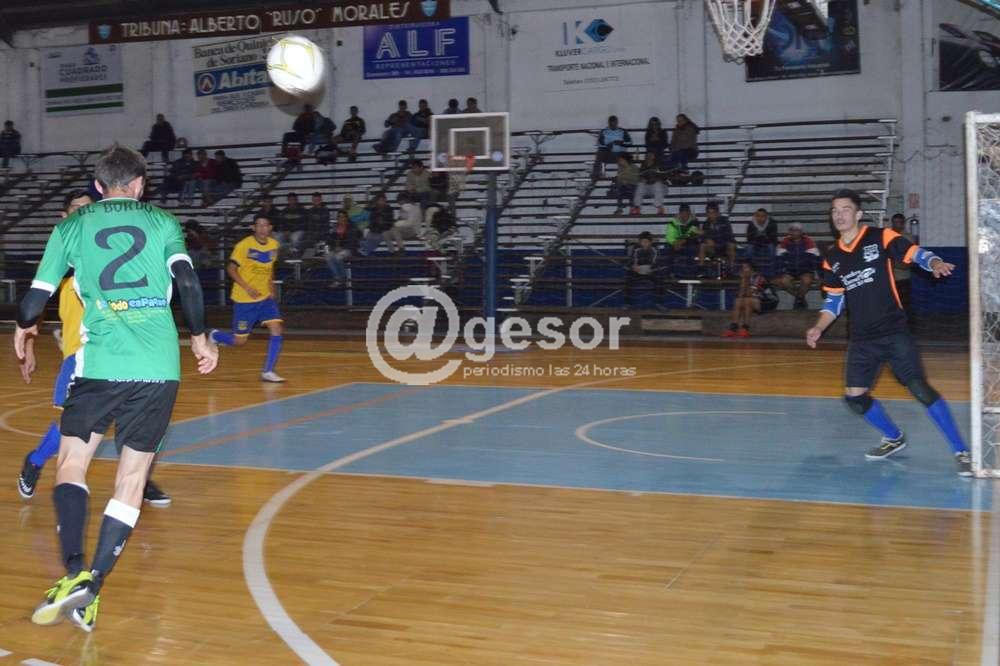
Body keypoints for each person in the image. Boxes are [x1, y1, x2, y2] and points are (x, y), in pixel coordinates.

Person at [13, 143, 217, 632]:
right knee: (132, 478)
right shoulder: (163, 221)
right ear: (140, 184)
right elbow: (188, 283)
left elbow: (34, 300)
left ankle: (74, 570)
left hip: (102, 364)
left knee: (71, 464)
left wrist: (24, 326)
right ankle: (94, 585)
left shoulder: (71, 227)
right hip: (158, 367)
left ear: (98, 186)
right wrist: (200, 337)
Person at [16, 189, 171, 507]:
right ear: (64, 217)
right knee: (73, 428)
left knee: (137, 422)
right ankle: (36, 460)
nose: (84, 214)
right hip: (81, 359)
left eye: (89, 208)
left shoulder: (111, 263)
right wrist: (29, 348)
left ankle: (138, 480)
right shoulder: (62, 269)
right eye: (76, 209)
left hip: (123, 355)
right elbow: (35, 310)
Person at [806, 189, 971, 475]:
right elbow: (833, 300)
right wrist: (818, 327)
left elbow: (913, 253)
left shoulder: (879, 237)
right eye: (834, 210)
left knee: (919, 388)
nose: (839, 215)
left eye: (845, 209)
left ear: (858, 214)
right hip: (862, 338)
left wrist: (933, 262)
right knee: (855, 397)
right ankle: (893, 437)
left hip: (893, 332)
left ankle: (961, 450)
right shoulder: (831, 257)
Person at [209, 216, 285, 383]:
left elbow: (270, 268)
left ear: (270, 228)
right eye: (259, 225)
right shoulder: (243, 246)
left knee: (277, 329)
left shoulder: (274, 245)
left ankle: (268, 371)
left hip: (265, 298)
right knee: (239, 341)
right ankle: (215, 335)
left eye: (265, 225)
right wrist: (247, 287)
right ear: (253, 228)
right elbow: (231, 269)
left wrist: (271, 287)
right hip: (245, 300)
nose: (262, 229)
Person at [723, 261, 778, 337]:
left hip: (768, 301)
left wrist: (745, 279)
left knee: (747, 300)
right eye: (742, 268)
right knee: (738, 301)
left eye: (745, 268)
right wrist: (744, 280)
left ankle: (745, 328)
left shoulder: (758, 278)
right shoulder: (745, 278)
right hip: (754, 300)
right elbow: (740, 295)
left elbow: (749, 294)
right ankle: (734, 328)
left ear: (752, 269)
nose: (742, 270)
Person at [775, 222, 820, 309]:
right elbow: (778, 260)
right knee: (784, 281)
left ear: (801, 232)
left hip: (806, 269)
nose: (794, 232)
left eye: (797, 230)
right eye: (792, 230)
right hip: (790, 270)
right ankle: (800, 297)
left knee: (807, 281)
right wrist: (778, 275)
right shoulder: (784, 242)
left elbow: (816, 259)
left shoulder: (808, 241)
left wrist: (820, 275)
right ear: (789, 232)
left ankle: (798, 299)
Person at [623, 232, 662, 308]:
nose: (645, 244)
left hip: (650, 272)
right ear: (640, 242)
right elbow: (630, 262)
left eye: (646, 242)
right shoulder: (635, 249)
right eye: (643, 242)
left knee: (660, 280)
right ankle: (627, 303)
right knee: (628, 279)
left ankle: (659, 303)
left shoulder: (655, 250)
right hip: (638, 272)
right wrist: (633, 267)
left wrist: (652, 268)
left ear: (650, 242)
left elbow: (657, 263)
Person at [697, 201, 736, 276]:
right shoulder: (706, 223)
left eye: (713, 212)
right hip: (713, 248)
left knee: (731, 245)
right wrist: (706, 239)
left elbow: (729, 236)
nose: (711, 215)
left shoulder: (725, 221)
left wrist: (715, 241)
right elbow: (702, 238)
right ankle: (701, 269)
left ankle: (731, 268)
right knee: (703, 245)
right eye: (709, 213)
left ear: (717, 213)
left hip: (724, 246)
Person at [326, 210, 361, 287]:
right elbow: (329, 240)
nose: (341, 218)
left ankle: (343, 278)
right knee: (328, 257)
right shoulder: (335, 227)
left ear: (346, 218)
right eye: (339, 217)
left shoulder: (351, 227)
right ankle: (337, 278)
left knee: (338, 257)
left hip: (349, 249)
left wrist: (342, 248)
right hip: (336, 249)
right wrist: (334, 247)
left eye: (343, 217)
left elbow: (352, 242)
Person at [889, 213, 914, 316]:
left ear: (903, 224)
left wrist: (897, 265)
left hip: (903, 277)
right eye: (895, 223)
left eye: (899, 223)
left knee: (904, 304)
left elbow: (911, 258)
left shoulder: (908, 238)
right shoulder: (887, 236)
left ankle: (906, 322)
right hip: (890, 277)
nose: (897, 225)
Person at [663, 204, 699, 276]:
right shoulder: (673, 222)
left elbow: (693, 234)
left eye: (686, 214)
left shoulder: (694, 221)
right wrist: (675, 243)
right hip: (676, 244)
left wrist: (682, 242)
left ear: (689, 213)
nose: (684, 216)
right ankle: (669, 273)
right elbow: (669, 237)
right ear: (679, 213)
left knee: (691, 248)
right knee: (666, 249)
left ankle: (690, 274)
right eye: (682, 213)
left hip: (689, 244)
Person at [746, 207, 779, 274]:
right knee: (749, 250)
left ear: (766, 217)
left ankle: (771, 269)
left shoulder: (772, 223)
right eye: (758, 216)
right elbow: (749, 237)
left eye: (762, 216)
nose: (760, 218)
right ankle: (753, 267)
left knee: (772, 249)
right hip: (755, 242)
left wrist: (764, 236)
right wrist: (756, 237)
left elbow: (773, 237)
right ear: (755, 216)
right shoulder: (751, 224)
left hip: (769, 242)